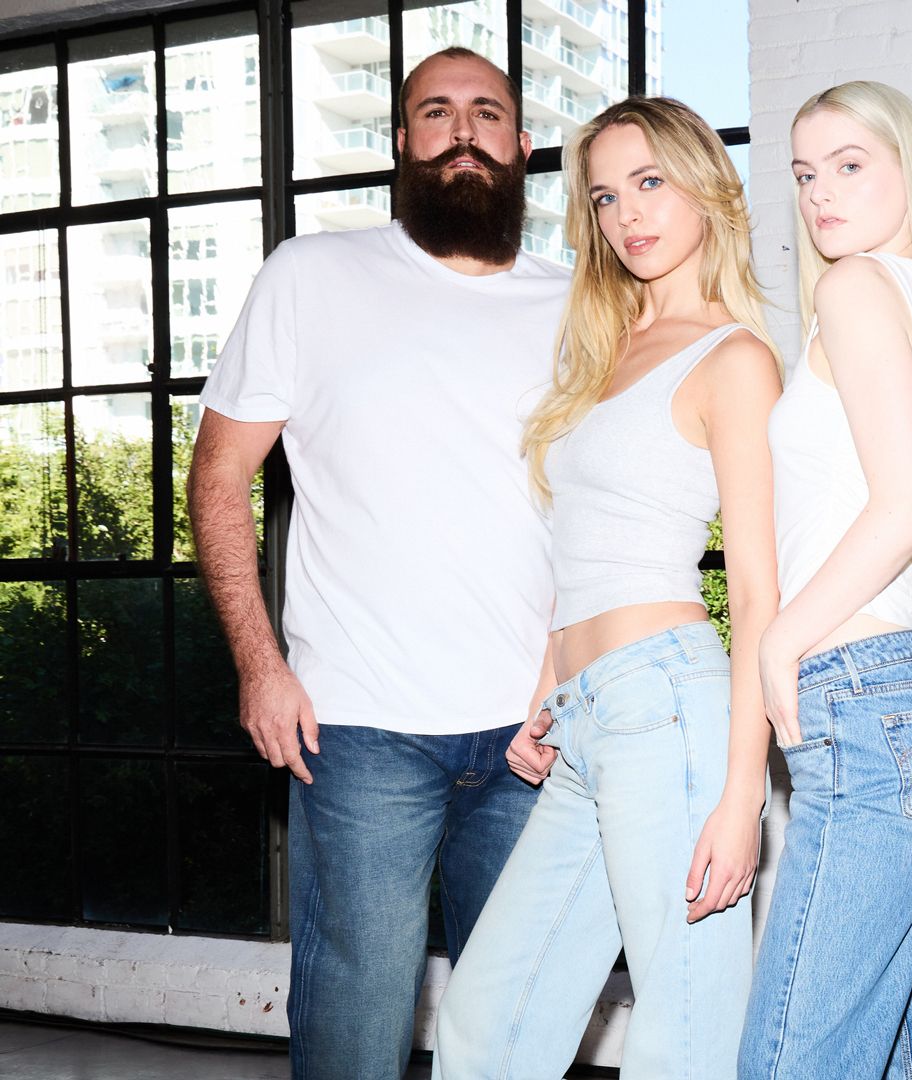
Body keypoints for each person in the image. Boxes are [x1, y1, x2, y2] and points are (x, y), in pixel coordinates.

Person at [188, 47, 567, 1080]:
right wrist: (259, 665)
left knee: (514, 1035)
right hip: (357, 728)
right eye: (435, 112)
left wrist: (574, 675)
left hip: (535, 732)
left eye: (486, 112)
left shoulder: (580, 303)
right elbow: (217, 478)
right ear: (401, 141)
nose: (462, 130)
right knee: (354, 1031)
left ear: (523, 145)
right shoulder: (310, 275)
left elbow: (608, 513)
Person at [431, 96, 780, 1079]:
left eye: (650, 182)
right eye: (605, 196)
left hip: (668, 706)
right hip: (586, 714)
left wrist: (742, 796)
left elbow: (758, 590)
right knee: (485, 1020)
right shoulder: (606, 351)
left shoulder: (735, 358)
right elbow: (581, 548)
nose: (628, 213)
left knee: (684, 1034)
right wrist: (550, 688)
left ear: (705, 187)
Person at [737, 80, 912, 1079]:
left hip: (868, 705)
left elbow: (908, 506)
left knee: (788, 1063)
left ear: (906, 168)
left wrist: (778, 639)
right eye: (805, 174)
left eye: (849, 165)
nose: (821, 194)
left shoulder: (855, 290)